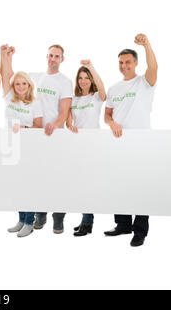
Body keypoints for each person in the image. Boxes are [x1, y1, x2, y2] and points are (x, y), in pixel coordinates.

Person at [103, 34, 158, 247]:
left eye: (127, 62)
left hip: (141, 143)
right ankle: (123, 225)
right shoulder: (114, 88)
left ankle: (140, 230)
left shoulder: (144, 82)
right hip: (118, 143)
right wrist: (111, 123)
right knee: (119, 184)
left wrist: (146, 45)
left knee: (141, 185)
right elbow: (107, 115)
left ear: (135, 63)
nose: (124, 65)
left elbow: (153, 67)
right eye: (121, 62)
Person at [28, 44, 73, 234]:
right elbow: (14, 81)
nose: (52, 59)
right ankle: (40, 214)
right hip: (36, 136)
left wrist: (54, 125)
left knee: (58, 179)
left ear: (62, 59)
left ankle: (58, 218)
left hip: (55, 137)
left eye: (57, 56)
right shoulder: (36, 78)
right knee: (38, 177)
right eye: (50, 55)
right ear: (46, 57)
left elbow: (64, 112)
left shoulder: (65, 82)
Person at [1, 45, 43, 238]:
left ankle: (29, 221)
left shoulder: (35, 102)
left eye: (23, 84)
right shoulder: (10, 98)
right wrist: (6, 56)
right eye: (17, 84)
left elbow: (39, 127)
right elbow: (6, 75)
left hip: (29, 150)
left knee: (29, 185)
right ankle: (20, 219)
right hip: (12, 149)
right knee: (16, 185)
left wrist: (25, 129)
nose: (20, 87)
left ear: (29, 85)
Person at [66, 60, 106, 236]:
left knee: (90, 184)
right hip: (78, 146)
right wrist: (70, 126)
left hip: (94, 145)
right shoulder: (73, 99)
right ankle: (86, 220)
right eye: (80, 78)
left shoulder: (96, 97)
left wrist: (91, 67)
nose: (83, 81)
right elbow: (68, 121)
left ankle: (87, 223)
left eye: (86, 78)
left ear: (91, 80)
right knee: (80, 184)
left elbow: (103, 89)